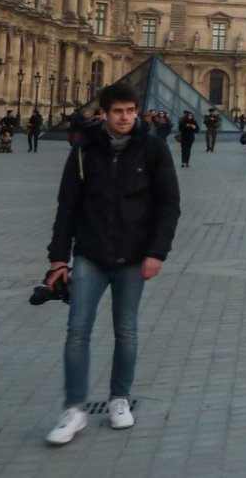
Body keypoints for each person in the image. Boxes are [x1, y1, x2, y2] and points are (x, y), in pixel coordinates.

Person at [43, 82, 181, 445]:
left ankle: (120, 398)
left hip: (134, 256)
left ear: (137, 111)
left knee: (127, 331)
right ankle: (74, 409)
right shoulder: (84, 150)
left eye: (130, 111)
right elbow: (67, 206)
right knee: (77, 331)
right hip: (90, 253)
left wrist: (157, 252)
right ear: (103, 112)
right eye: (118, 111)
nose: (125, 117)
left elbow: (169, 205)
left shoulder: (153, 147)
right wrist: (59, 258)